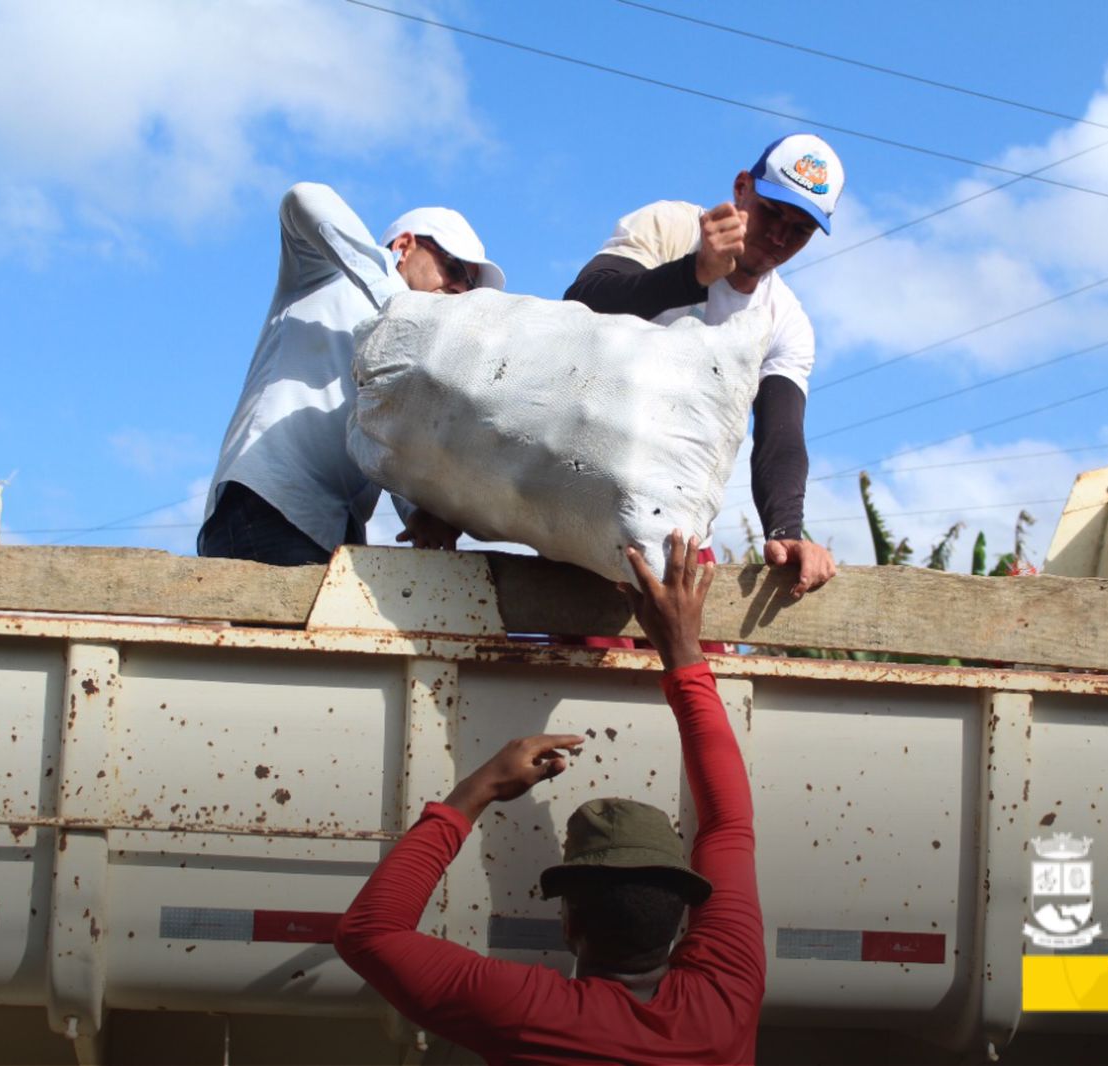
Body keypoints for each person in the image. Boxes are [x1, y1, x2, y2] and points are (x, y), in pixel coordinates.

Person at [334, 529, 764, 1064]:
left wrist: (480, 787)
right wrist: (684, 653)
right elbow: (727, 824)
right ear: (684, 917)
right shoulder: (725, 1000)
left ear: (568, 925)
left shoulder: (532, 1014)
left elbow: (369, 934)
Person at [564, 133, 845, 599]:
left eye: (800, 230)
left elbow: (780, 436)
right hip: (586, 506)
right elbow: (580, 305)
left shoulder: (786, 321)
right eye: (772, 212)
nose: (779, 237)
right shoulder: (672, 227)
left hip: (680, 536)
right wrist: (694, 272)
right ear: (741, 188)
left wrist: (786, 531)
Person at [198, 183, 504, 566]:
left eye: (469, 287)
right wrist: (393, 297)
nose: (459, 287)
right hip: (268, 505)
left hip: (335, 534)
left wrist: (419, 512)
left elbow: (389, 443)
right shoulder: (325, 275)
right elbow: (304, 199)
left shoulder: (407, 359)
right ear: (405, 246)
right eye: (454, 268)